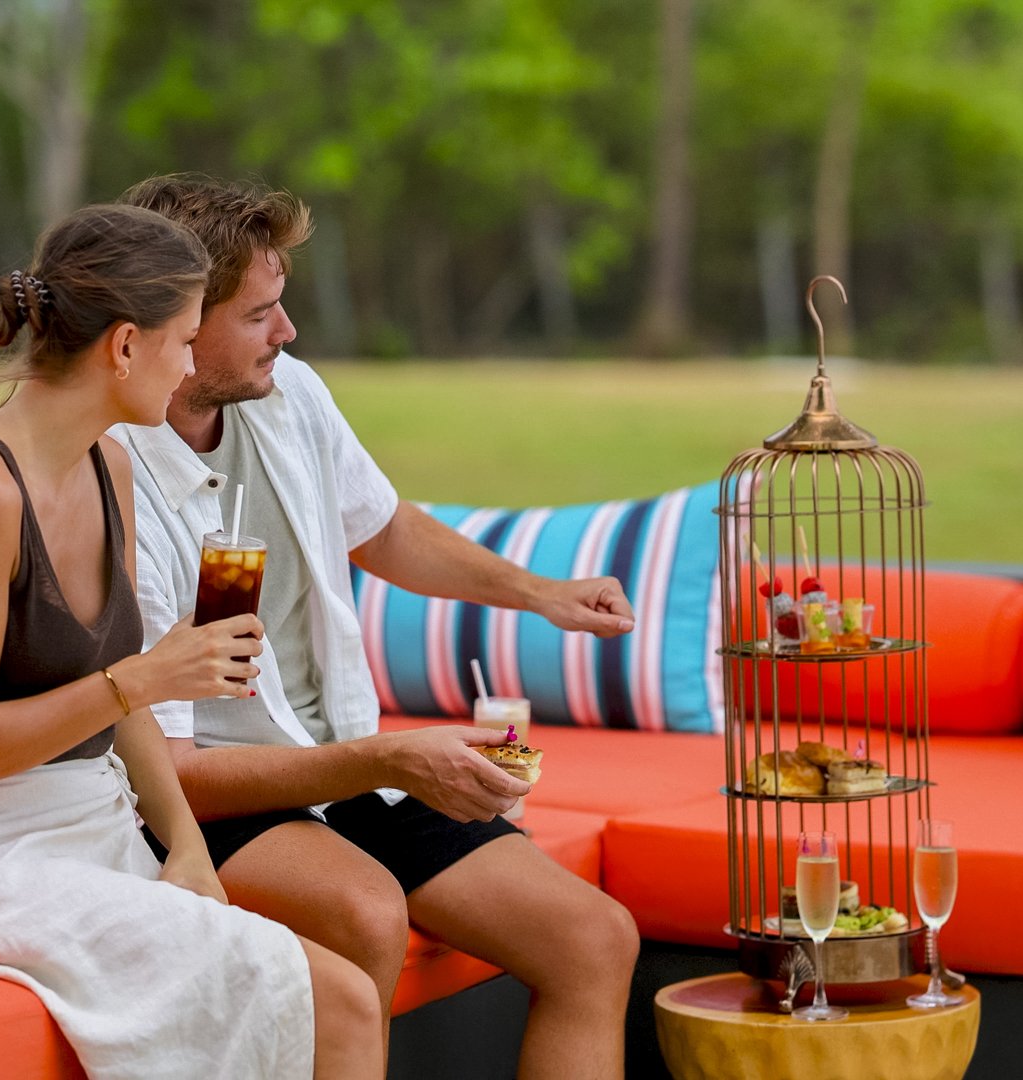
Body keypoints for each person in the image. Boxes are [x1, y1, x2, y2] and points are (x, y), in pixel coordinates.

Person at [114, 175, 642, 1078]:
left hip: (338, 762)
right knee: (364, 909)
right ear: (176, 324)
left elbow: (382, 525)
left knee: (594, 936)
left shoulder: (290, 395)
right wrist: (393, 760)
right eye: (260, 315)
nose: (287, 333)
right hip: (202, 797)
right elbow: (174, 773)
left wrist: (536, 590)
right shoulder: (113, 479)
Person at [0, 204, 383, 1080]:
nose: (187, 366)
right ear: (125, 346)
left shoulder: (114, 466)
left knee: (327, 995)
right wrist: (132, 683)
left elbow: (126, 690)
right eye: (183, 341)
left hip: (92, 825)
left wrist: (183, 848)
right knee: (340, 1004)